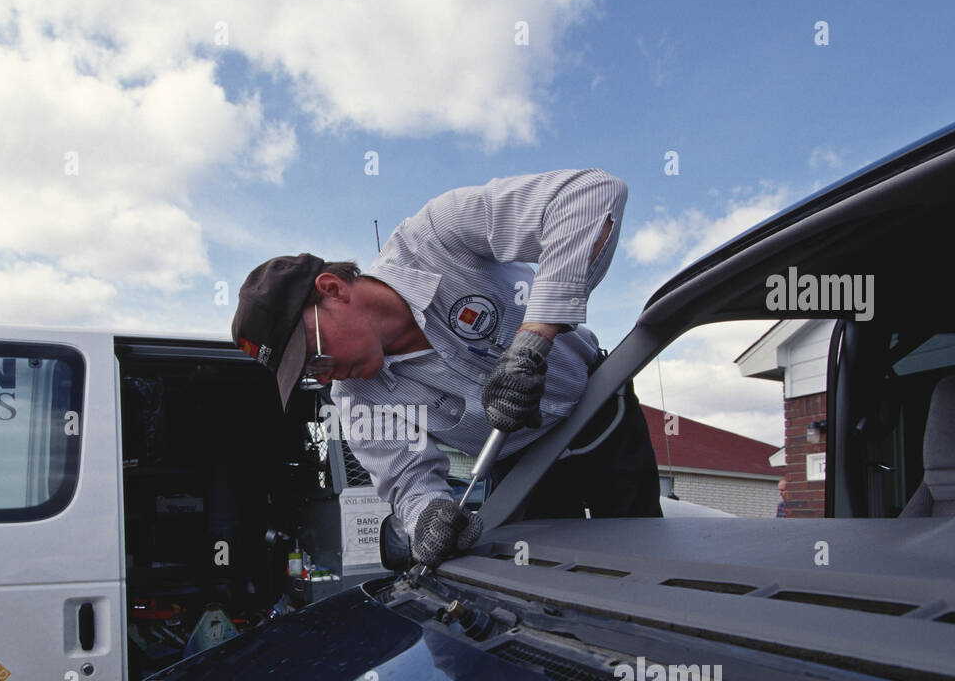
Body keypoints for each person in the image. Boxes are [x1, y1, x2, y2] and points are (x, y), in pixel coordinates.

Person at [232, 170, 661, 568]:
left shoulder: (438, 236)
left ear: (332, 289)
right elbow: (408, 480)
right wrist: (429, 516)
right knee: (554, 589)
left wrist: (534, 339)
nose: (325, 377)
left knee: (646, 565)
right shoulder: (356, 398)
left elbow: (592, 196)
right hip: (524, 472)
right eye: (311, 375)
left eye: (314, 356)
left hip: (603, 415)